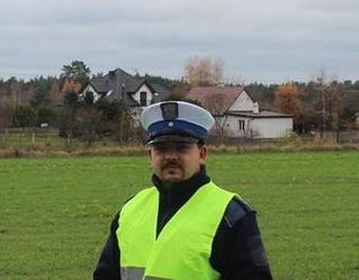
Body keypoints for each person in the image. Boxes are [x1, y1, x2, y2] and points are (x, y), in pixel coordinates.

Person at [94, 101, 272, 280]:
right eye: (161, 149)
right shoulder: (130, 210)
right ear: (150, 156)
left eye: (181, 147)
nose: (171, 156)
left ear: (202, 154)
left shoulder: (232, 215)